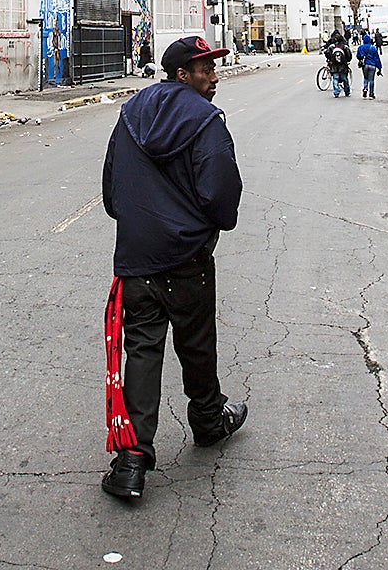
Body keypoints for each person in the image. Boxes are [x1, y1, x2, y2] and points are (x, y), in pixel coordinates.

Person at [101, 36, 249, 503]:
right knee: (197, 342)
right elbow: (221, 192)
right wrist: (208, 226)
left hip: (138, 257)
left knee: (141, 351)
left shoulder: (130, 114)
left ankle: (132, 460)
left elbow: (111, 189)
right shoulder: (206, 121)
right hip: (187, 257)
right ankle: (208, 421)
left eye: (214, 68)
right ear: (181, 73)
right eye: (205, 69)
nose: (215, 77)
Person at [323, 29, 351, 98]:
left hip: (334, 65)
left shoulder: (332, 46)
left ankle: (336, 91)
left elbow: (327, 53)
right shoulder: (344, 46)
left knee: (335, 78)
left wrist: (330, 59)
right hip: (343, 66)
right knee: (345, 79)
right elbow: (349, 56)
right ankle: (347, 91)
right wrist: (347, 61)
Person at [356, 31, 381, 99]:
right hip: (372, 65)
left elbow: (358, 56)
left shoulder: (361, 47)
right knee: (371, 80)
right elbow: (377, 59)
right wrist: (379, 68)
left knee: (365, 78)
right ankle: (371, 93)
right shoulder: (373, 48)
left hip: (365, 65)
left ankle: (365, 88)